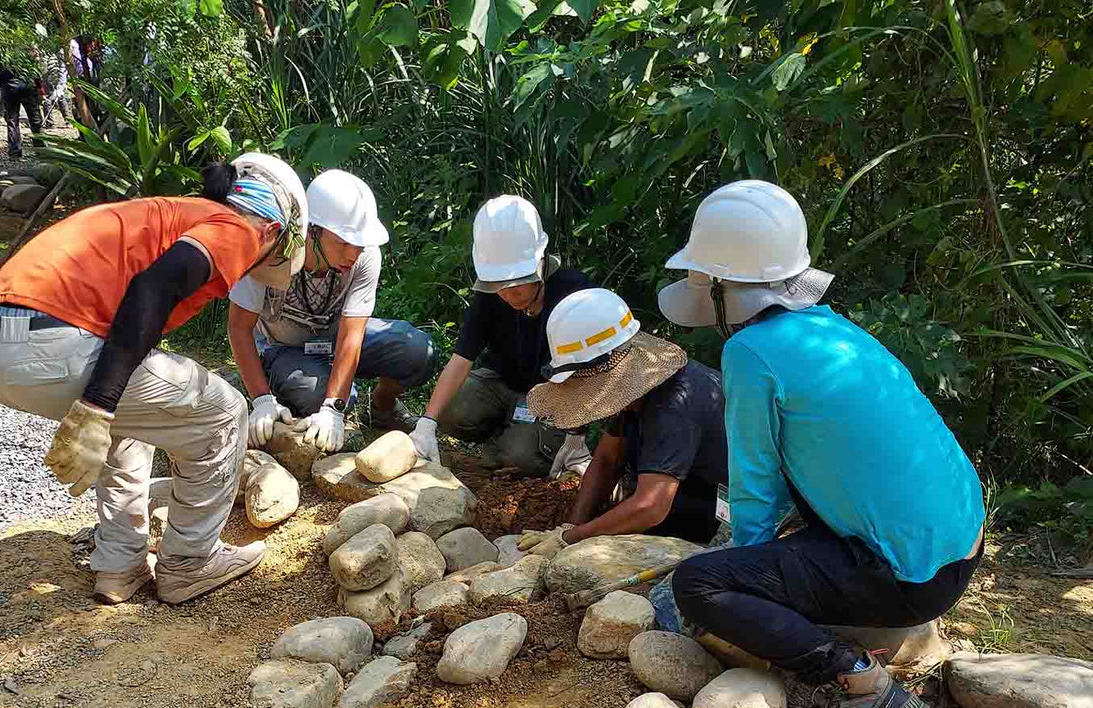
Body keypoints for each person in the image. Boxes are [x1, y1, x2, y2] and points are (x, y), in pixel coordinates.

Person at [659, 180, 984, 708]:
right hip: (959, 547)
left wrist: (737, 576)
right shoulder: (835, 330)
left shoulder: (750, 352)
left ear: (723, 288)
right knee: (767, 558)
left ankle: (864, 683)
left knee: (698, 585)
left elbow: (755, 482)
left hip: (911, 578)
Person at [0, 153, 309, 606]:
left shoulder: (169, 215)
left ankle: (119, 565)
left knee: (137, 412)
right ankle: (190, 563)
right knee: (225, 412)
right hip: (57, 343)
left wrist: (106, 404)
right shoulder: (239, 228)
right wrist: (96, 404)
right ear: (273, 231)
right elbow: (155, 287)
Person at [227, 168, 434, 453]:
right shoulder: (273, 249)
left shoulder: (366, 255)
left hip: (335, 339)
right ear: (312, 230)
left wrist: (333, 408)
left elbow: (352, 335)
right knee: (317, 395)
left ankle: (382, 408)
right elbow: (239, 328)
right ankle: (267, 383)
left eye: (359, 243)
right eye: (344, 242)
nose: (353, 253)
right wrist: (261, 399)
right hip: (281, 347)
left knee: (418, 351)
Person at [517, 288, 728, 558]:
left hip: (717, 515)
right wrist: (571, 526)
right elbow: (607, 458)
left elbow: (650, 506)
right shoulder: (635, 393)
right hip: (671, 494)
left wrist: (570, 539)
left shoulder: (673, 405)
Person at [410, 195, 594, 478]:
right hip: (502, 385)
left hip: (552, 399)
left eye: (516, 284)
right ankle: (505, 434)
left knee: (522, 457)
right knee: (449, 409)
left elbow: (590, 375)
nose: (506, 294)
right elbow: (461, 360)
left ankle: (518, 441)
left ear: (540, 262)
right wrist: (427, 423)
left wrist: (576, 435)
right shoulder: (489, 295)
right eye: (498, 285)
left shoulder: (572, 293)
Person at [0, 50, 43, 158]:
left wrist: (0, 85)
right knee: (34, 118)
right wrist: (39, 86)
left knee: (12, 120)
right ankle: (41, 147)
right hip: (28, 84)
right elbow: (34, 67)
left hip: (9, 86)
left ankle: (15, 151)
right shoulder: (27, 44)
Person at [36, 24, 69, 126]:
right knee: (51, 98)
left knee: (56, 98)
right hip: (48, 77)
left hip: (55, 76)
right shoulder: (43, 49)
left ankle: (62, 121)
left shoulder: (56, 49)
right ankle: (53, 122)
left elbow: (62, 66)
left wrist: (61, 82)